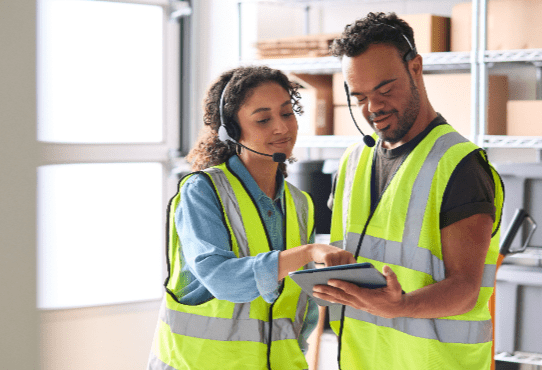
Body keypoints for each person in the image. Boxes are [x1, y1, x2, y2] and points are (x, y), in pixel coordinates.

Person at [311, 12, 505, 370]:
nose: (373, 108)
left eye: (385, 90)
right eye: (360, 97)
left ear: (415, 67)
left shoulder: (459, 165)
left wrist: (400, 306)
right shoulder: (352, 161)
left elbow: (464, 289)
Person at [147, 65, 355, 370]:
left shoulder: (300, 204)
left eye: (287, 113)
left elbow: (303, 309)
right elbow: (224, 281)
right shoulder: (203, 192)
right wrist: (309, 252)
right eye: (263, 119)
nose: (282, 128)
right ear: (231, 130)